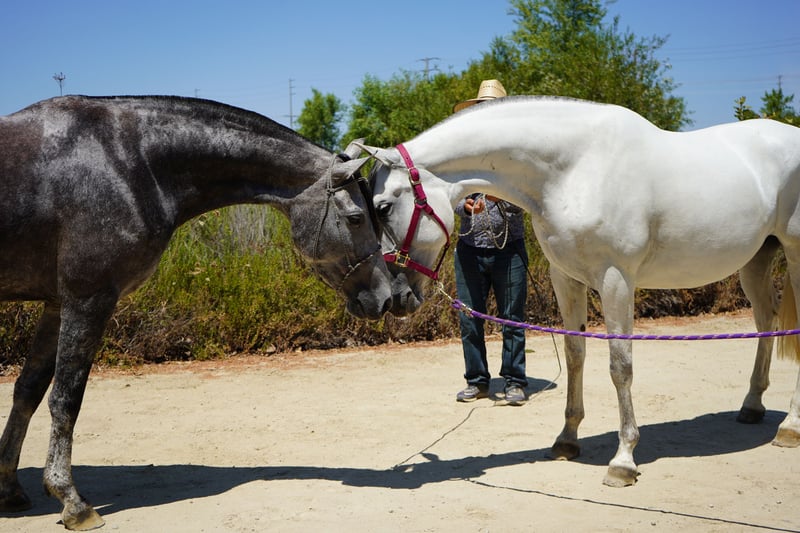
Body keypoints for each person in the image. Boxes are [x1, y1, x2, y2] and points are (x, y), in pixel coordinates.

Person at [452, 80, 529, 405]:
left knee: (512, 318)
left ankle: (514, 381)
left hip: (509, 248)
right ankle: (477, 381)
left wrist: (503, 198)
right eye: (482, 108)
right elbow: (452, 193)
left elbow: (528, 196)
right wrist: (465, 206)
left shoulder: (516, 155)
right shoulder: (464, 153)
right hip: (469, 249)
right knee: (469, 318)